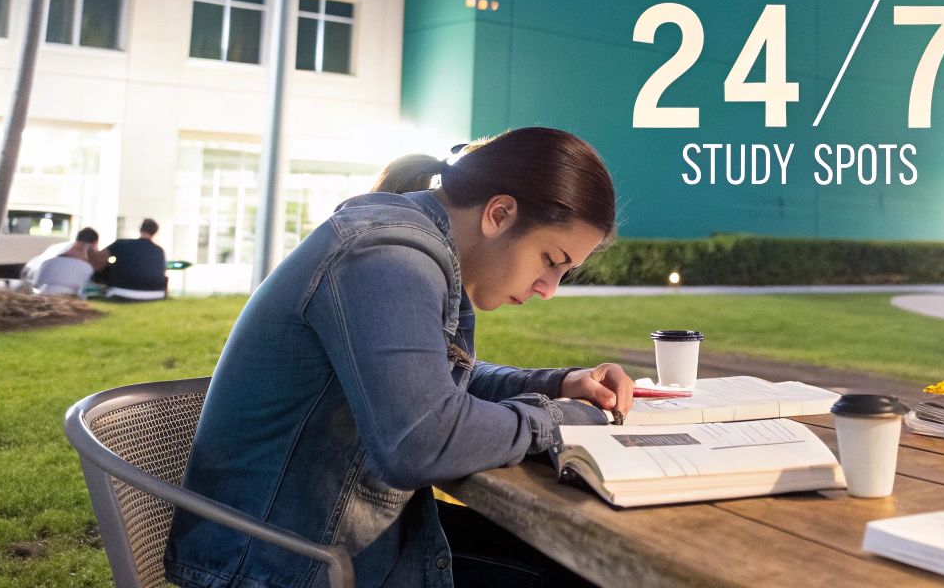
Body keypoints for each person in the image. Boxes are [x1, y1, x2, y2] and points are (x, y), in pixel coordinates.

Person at [165, 127, 631, 588]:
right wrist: (553, 420)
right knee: (588, 572)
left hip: (339, 545)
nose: (548, 290)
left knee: (587, 560)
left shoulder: (414, 248)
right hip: (285, 567)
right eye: (551, 259)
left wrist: (558, 384)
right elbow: (422, 440)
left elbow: (435, 383)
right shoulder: (387, 255)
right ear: (500, 213)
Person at [96, 218, 168, 301]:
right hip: (156, 294)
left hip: (122, 292)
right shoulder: (159, 251)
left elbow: (98, 260)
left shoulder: (121, 244)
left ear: (140, 229)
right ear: (155, 232)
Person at [21, 226, 104, 295]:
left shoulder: (59, 250)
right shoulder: (84, 260)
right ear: (95, 243)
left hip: (39, 287)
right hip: (61, 293)